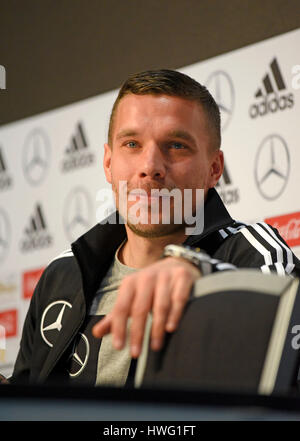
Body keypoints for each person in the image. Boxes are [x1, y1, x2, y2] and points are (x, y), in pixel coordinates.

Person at [7, 69, 300, 386]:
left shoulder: (251, 252)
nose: (149, 167)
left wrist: (202, 273)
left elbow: (284, 326)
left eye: (175, 145)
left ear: (214, 169)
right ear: (108, 163)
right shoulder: (63, 274)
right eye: (132, 144)